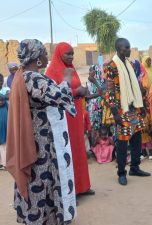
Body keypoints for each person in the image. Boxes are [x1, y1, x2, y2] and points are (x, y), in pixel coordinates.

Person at [6, 39, 76, 224]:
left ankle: (32, 215)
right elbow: (59, 97)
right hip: (41, 141)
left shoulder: (22, 76)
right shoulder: (33, 78)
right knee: (43, 178)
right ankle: (42, 218)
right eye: (44, 53)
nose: (47, 57)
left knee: (36, 178)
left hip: (32, 136)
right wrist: (67, 78)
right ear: (37, 58)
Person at [46, 42, 94, 195]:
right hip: (63, 117)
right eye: (68, 54)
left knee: (79, 149)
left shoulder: (71, 68)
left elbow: (75, 86)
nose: (71, 56)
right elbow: (53, 94)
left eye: (72, 53)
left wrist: (83, 91)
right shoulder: (52, 71)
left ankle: (82, 186)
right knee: (67, 151)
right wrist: (75, 92)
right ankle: (70, 192)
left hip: (75, 114)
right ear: (60, 53)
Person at [104, 38, 151, 186]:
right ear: (118, 49)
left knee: (137, 138)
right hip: (121, 109)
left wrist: (141, 105)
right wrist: (115, 113)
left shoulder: (129, 64)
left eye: (129, 47)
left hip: (133, 107)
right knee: (123, 143)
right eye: (126, 48)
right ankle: (121, 173)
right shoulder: (112, 66)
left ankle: (135, 167)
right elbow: (109, 90)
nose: (129, 50)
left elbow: (134, 85)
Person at [86, 64, 105, 130]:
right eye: (89, 70)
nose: (89, 72)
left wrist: (95, 81)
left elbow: (101, 92)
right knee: (93, 126)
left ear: (96, 71)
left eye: (91, 70)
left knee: (99, 126)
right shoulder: (88, 80)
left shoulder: (101, 81)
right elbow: (87, 96)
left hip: (99, 106)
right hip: (92, 107)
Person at [0, 95, 8, 170]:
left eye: (2, 100)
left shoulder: (6, 106)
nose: (1, 102)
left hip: (5, 131)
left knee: (4, 147)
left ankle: (4, 164)